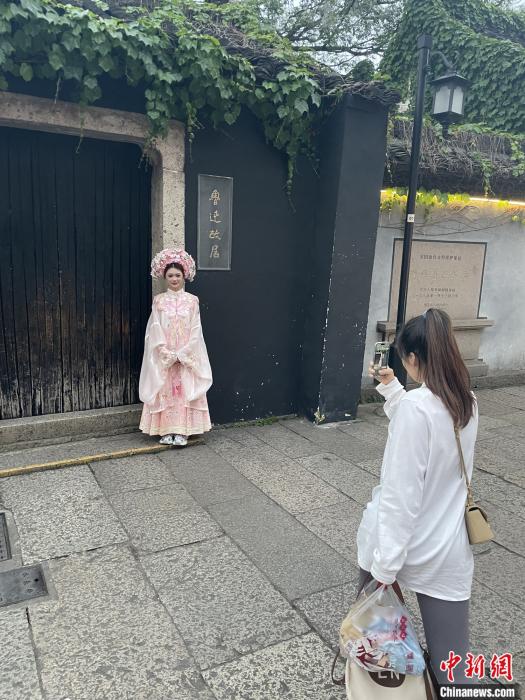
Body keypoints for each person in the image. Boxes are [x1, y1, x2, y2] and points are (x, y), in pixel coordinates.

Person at [356, 308, 478, 686]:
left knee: (378, 650)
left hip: (400, 546)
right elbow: (427, 431)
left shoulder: (416, 408)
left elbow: (400, 497)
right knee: (453, 669)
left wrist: (384, 570)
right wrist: (394, 388)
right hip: (446, 547)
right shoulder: (467, 401)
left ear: (412, 357)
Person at [139, 249, 212, 446]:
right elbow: (155, 328)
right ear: (165, 277)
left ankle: (183, 431)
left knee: (185, 389)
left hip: (186, 354)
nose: (174, 279)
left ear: (184, 276)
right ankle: (166, 430)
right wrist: (165, 352)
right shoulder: (159, 301)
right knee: (166, 390)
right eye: (170, 275)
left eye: (177, 275)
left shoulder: (192, 300)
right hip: (166, 355)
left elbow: (196, 329)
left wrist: (183, 353)